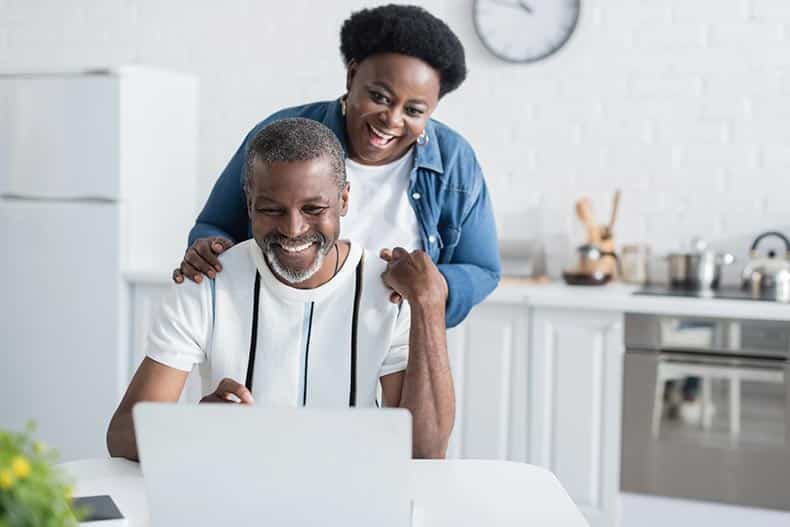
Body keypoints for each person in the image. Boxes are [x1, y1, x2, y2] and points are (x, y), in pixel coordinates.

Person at [106, 118, 454, 460]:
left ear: (344, 200)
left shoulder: (387, 291)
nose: (292, 229)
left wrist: (429, 303)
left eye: (314, 208)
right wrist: (198, 426)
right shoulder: (206, 284)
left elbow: (424, 450)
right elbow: (122, 435)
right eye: (271, 209)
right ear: (249, 203)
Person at [173, 4, 500, 328]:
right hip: (276, 330)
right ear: (352, 75)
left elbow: (482, 269)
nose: (392, 120)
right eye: (380, 97)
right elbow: (213, 228)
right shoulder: (283, 134)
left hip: (396, 347)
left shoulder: (455, 160)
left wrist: (432, 284)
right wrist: (213, 252)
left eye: (414, 111)